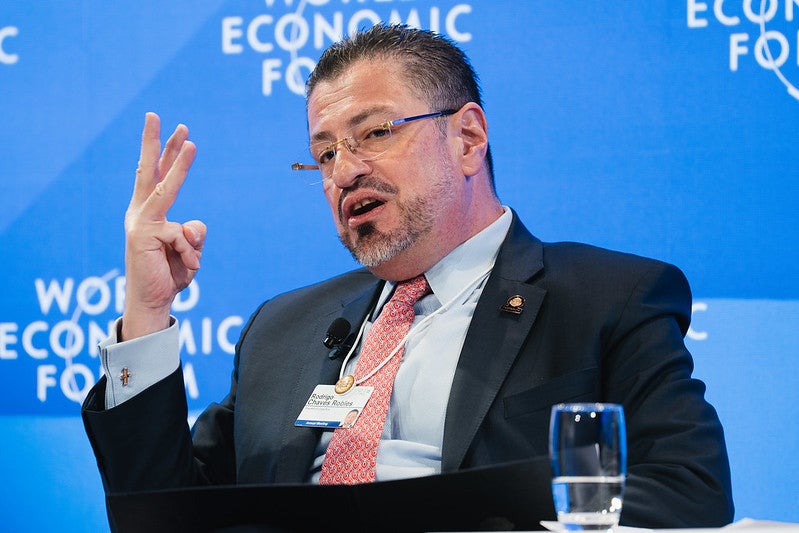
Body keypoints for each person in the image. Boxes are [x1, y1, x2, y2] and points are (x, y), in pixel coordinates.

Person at [81, 23, 734, 530]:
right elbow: (161, 513)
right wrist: (144, 316)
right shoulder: (282, 328)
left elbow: (687, 489)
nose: (343, 172)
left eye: (374, 133)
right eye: (324, 153)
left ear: (468, 138)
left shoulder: (603, 297)